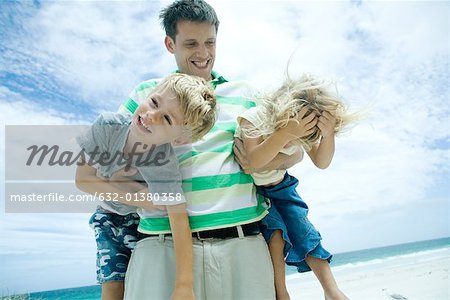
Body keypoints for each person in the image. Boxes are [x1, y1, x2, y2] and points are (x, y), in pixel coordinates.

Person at [118, 0, 304, 299]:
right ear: (170, 44)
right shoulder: (146, 94)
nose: (203, 53)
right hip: (161, 246)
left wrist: (285, 157)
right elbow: (110, 160)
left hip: (243, 243)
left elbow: (293, 148)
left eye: (210, 42)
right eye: (191, 43)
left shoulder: (245, 94)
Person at [75, 73, 216, 300]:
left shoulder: (164, 163)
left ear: (180, 140)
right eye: (154, 102)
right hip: (106, 215)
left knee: (139, 283)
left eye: (167, 119)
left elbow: (179, 221)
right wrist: (140, 198)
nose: (151, 116)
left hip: (138, 222)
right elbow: (83, 179)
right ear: (148, 95)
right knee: (112, 283)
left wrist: (184, 285)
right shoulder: (107, 127)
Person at [236, 73, 356, 300]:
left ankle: (332, 291)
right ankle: (281, 292)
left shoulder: (304, 127)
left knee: (305, 231)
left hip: (283, 187)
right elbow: (253, 162)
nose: (294, 143)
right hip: (255, 192)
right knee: (276, 235)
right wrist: (284, 135)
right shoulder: (254, 119)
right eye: (295, 136)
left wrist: (328, 135)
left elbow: (321, 162)